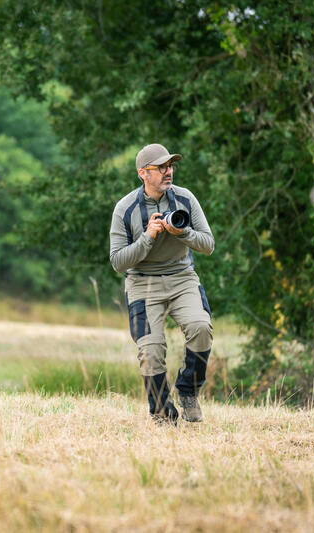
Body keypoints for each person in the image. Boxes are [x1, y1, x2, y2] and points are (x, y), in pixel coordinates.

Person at [109, 143, 214, 424]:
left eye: (171, 166)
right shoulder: (125, 208)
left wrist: (183, 232)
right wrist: (147, 237)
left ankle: (188, 391)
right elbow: (118, 262)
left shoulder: (185, 198)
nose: (169, 172)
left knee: (201, 328)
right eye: (161, 168)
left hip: (182, 278)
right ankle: (162, 414)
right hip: (143, 285)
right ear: (143, 173)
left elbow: (208, 244)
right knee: (151, 350)